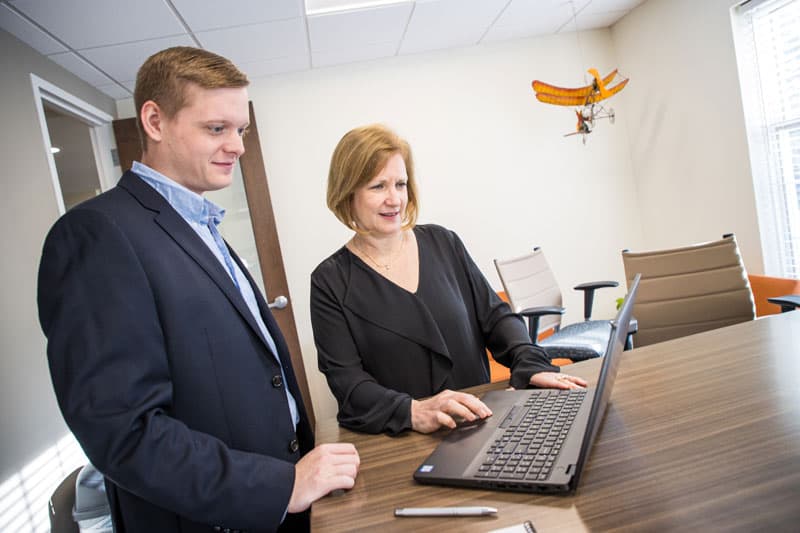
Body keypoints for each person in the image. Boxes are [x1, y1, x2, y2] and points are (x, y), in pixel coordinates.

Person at [37, 47, 359, 533]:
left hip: (280, 501)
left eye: (241, 130)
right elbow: (123, 430)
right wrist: (279, 486)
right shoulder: (97, 234)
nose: (238, 146)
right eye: (217, 129)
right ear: (154, 121)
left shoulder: (200, 227)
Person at [310, 124, 587, 435]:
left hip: (484, 423)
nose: (394, 199)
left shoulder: (443, 243)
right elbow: (348, 384)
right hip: (407, 440)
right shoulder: (330, 281)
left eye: (400, 184)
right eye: (378, 187)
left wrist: (529, 360)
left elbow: (495, 318)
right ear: (348, 193)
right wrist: (414, 411)